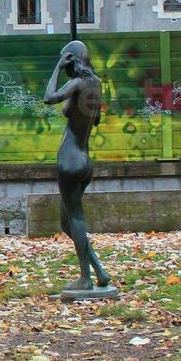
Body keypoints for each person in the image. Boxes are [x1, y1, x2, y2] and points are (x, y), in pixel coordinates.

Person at [43, 40, 112, 292]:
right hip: (85, 160)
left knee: (76, 219)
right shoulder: (96, 84)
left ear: (71, 60)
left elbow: (48, 98)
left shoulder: (77, 84)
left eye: (66, 59)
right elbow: (96, 120)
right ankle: (99, 272)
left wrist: (57, 68)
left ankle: (85, 278)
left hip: (69, 160)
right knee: (67, 222)